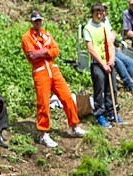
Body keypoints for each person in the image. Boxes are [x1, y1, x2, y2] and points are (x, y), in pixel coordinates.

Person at [21, 10, 86, 148]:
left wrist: (43, 52)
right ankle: (44, 133)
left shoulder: (47, 34)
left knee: (67, 96)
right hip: (40, 72)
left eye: (40, 20)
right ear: (32, 22)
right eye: (35, 20)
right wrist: (46, 51)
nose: (38, 23)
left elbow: (56, 50)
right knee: (43, 103)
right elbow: (31, 56)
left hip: (53, 69)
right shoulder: (27, 37)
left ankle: (74, 126)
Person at [84, 3, 124, 128]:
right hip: (97, 63)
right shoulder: (88, 28)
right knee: (99, 89)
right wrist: (102, 64)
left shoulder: (104, 26)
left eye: (101, 13)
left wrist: (111, 59)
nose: (99, 15)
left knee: (111, 88)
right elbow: (90, 49)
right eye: (97, 13)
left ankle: (112, 113)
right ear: (93, 13)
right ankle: (99, 115)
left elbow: (110, 43)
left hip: (108, 62)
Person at [97, 6, 133, 95]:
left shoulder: (106, 21)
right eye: (102, 12)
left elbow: (111, 32)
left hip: (112, 48)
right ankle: (130, 85)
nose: (104, 14)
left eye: (105, 12)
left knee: (129, 61)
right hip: (102, 50)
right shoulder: (95, 24)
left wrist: (112, 37)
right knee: (119, 63)